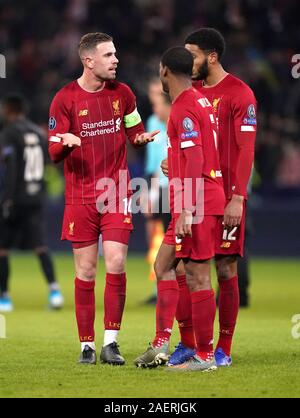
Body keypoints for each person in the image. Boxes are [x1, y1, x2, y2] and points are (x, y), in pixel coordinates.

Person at [48, 32, 158, 365]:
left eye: (115, 54)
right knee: (85, 270)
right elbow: (53, 151)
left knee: (117, 262)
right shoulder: (64, 99)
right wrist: (65, 143)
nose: (115, 60)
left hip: (116, 192)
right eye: (108, 55)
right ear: (88, 61)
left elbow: (133, 131)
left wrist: (141, 138)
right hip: (80, 195)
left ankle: (111, 342)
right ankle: (86, 345)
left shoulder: (123, 94)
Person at [162, 28, 257, 367]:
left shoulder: (240, 94)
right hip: (197, 196)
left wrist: (238, 197)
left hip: (226, 197)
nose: (188, 62)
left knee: (226, 267)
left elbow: (246, 149)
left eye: (194, 55)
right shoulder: (194, 94)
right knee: (185, 267)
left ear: (212, 56)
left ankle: (223, 348)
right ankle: (190, 343)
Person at [134, 46, 225, 371]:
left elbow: (198, 157)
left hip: (196, 202)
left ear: (164, 71)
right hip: (194, 198)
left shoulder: (185, 105)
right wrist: (175, 161)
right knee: (164, 265)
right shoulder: (197, 100)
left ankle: (204, 355)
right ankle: (162, 342)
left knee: (199, 275)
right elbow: (195, 152)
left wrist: (186, 210)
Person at [0, 94, 64, 312]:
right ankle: (55, 292)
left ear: (9, 110)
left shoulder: (9, 133)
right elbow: (49, 165)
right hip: (35, 196)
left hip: (16, 197)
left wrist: (7, 198)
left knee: (2, 249)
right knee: (40, 246)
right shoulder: (38, 133)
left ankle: (5, 298)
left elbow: (12, 167)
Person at [143, 85, 172, 303]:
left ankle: (184, 287)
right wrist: (150, 194)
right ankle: (158, 289)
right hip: (161, 189)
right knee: (156, 238)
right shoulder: (154, 123)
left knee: (181, 242)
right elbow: (153, 165)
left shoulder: (182, 121)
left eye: (156, 103)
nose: (154, 109)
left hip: (182, 189)